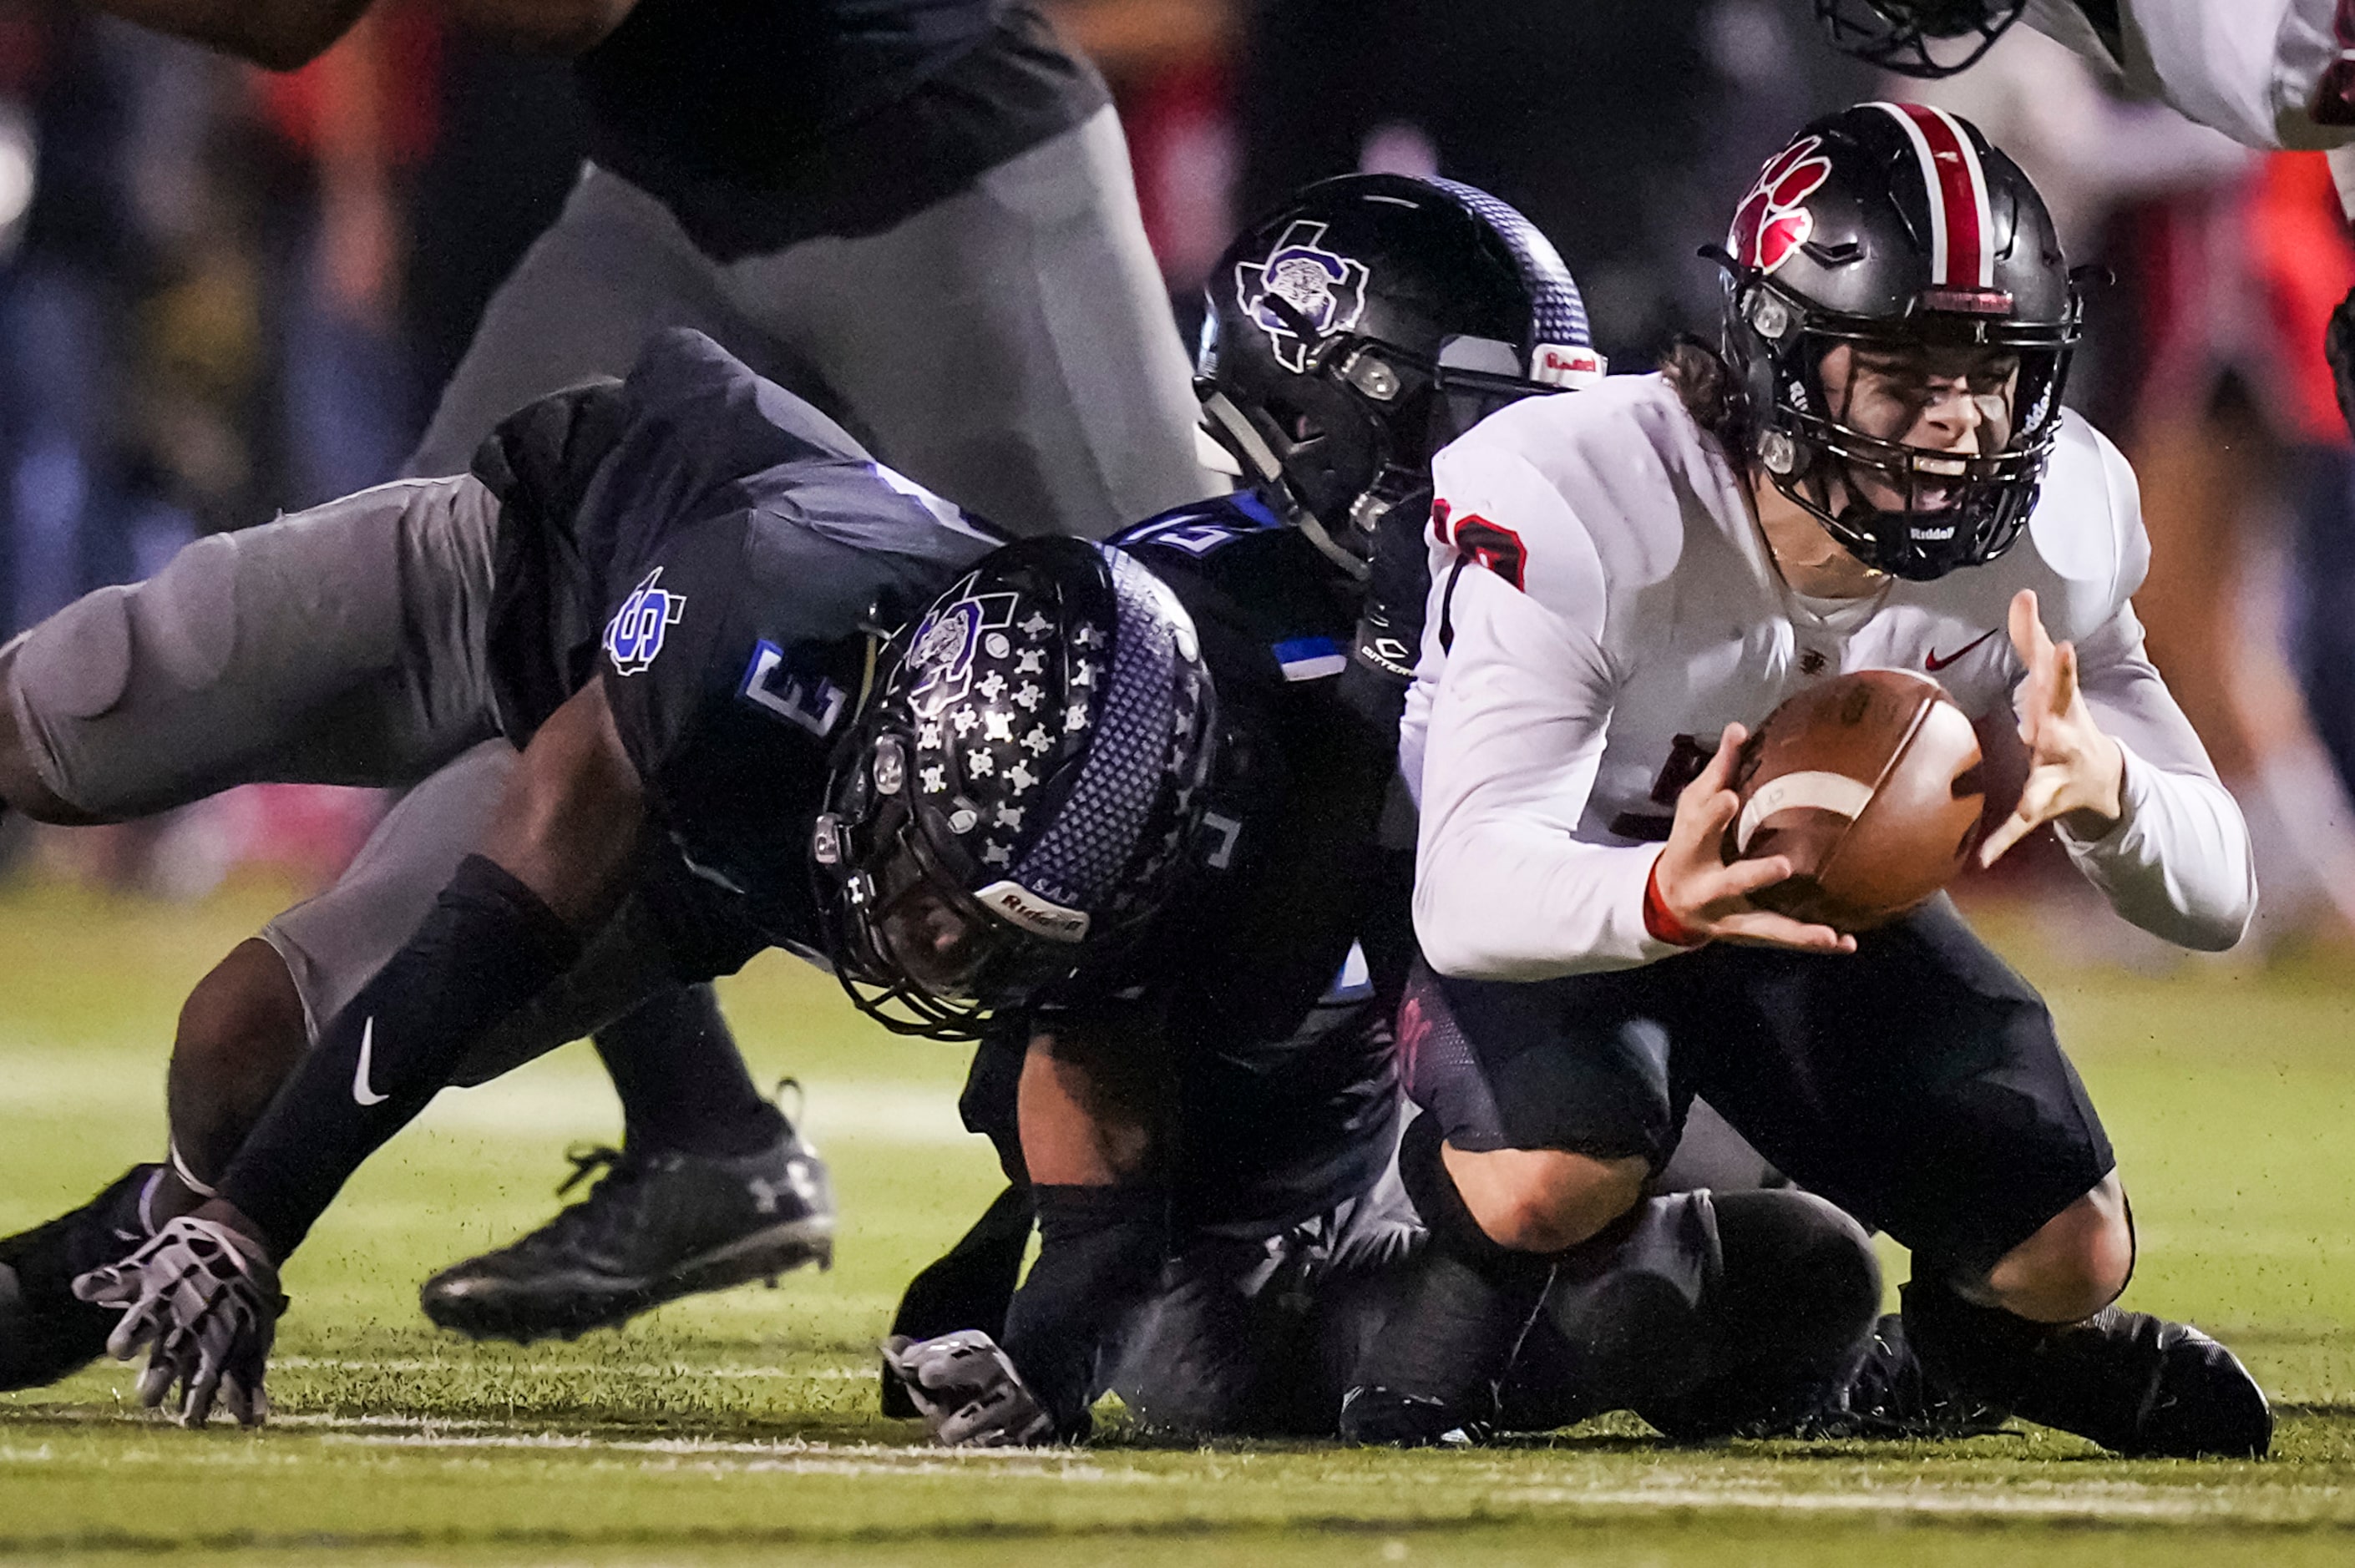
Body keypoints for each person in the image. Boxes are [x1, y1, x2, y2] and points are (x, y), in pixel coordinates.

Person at [53, 0, 1218, 1345]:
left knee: (1180, 708)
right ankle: (701, 1127)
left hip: (946, 172)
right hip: (667, 197)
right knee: (435, 685)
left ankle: (1403, 1178)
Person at [876, 176, 1880, 1449]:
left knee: (1788, 1074)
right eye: (1472, 425)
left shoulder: (1545, 580)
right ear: (1317, 417)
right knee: (1772, 1276)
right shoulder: (1178, 637)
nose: (1531, 468)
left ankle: (1986, 1316)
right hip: (1233, 1254)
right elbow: (1113, 1019)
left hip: (1425, 1106)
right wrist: (1068, 1303)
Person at [1341, 104, 2272, 1460]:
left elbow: (2220, 896)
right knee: (1561, 1163)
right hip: (1558, 884)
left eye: (1994, 373)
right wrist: (1663, 890)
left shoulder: (2057, 525)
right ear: (1782, 361)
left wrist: (2117, 793)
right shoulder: (1599, 498)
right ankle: (1415, 1362)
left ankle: (1953, 1359)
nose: (1959, 425)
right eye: (1905, 374)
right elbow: (1471, 887)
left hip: (1805, 899)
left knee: (2070, 1248)